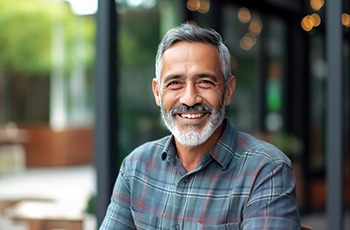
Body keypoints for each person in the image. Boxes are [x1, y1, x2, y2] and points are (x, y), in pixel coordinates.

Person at [100, 23, 301, 229]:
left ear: (228, 90)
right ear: (158, 93)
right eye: (175, 83)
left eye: (205, 82)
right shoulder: (136, 167)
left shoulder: (266, 170)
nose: (189, 99)